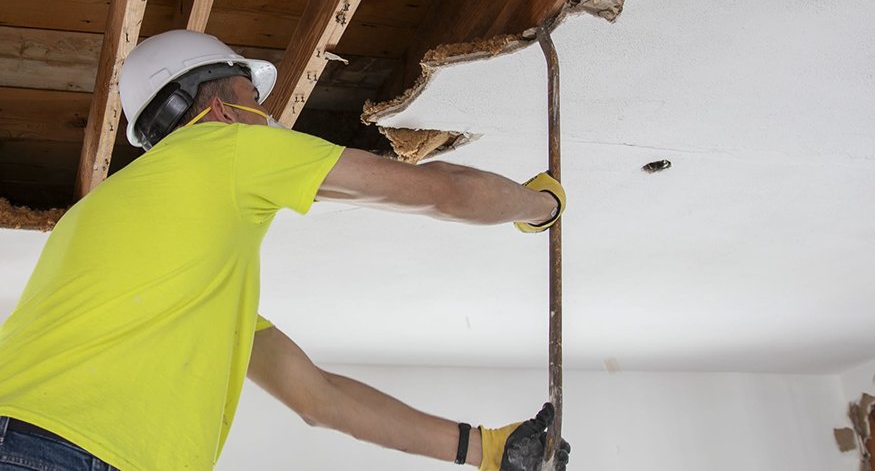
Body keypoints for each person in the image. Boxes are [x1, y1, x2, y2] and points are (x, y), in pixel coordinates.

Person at [0, 30, 571, 470]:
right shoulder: (225, 145)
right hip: (59, 451)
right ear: (220, 110)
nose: (270, 119)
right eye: (255, 100)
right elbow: (442, 192)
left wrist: (486, 451)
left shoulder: (173, 272)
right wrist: (537, 206)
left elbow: (317, 398)